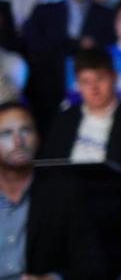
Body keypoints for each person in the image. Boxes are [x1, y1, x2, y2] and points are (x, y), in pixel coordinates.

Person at [40, 48, 121, 277]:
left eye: (100, 79)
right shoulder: (64, 119)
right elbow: (49, 165)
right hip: (65, 202)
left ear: (114, 77)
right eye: (85, 82)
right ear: (77, 84)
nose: (94, 88)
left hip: (115, 204)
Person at [0, 100, 104, 280]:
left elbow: (93, 266)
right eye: (7, 134)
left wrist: (52, 279)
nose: (18, 141)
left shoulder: (65, 192)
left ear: (38, 138)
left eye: (26, 130)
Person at [21, 0, 116, 130]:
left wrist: (62, 45)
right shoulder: (44, 11)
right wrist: (77, 44)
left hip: (90, 93)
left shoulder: (109, 16)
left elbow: (105, 52)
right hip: (46, 93)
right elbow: (33, 47)